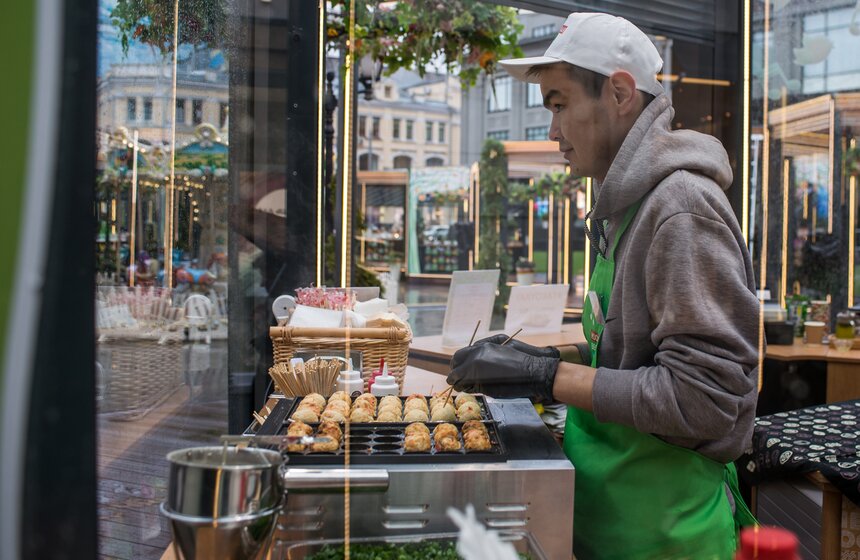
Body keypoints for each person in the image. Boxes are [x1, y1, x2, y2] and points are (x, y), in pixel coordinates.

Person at [447, 12, 759, 560]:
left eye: (560, 104)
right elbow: (626, 353)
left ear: (618, 93)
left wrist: (546, 376)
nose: (550, 132)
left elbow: (703, 401)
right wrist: (538, 355)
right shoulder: (625, 207)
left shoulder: (680, 208)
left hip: (666, 533)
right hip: (609, 517)